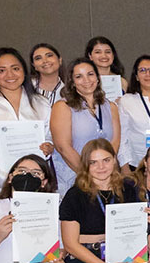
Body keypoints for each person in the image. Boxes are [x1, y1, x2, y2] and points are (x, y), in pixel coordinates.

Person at [0, 47, 54, 188]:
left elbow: (48, 136)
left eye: (15, 68)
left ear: (24, 70)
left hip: (34, 184)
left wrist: (48, 147)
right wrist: (9, 182)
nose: (9, 75)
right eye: (1, 70)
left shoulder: (41, 102)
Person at [51, 59, 121, 197]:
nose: (86, 80)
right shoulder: (62, 107)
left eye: (90, 74)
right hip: (75, 177)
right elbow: (63, 147)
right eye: (79, 76)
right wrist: (88, 176)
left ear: (97, 77)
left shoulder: (110, 106)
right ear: (72, 81)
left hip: (106, 178)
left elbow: (115, 142)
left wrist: (105, 172)